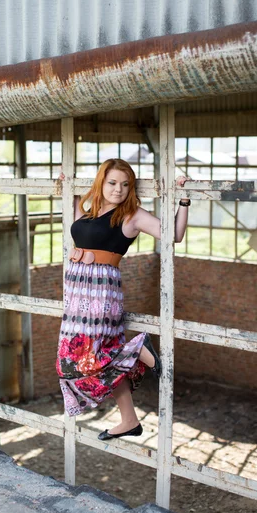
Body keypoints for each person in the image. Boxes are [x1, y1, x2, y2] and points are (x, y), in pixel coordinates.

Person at [56, 158, 190, 441]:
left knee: (76, 359)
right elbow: (73, 210)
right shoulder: (89, 212)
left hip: (100, 291)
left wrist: (184, 201)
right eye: (112, 183)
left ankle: (140, 348)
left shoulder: (132, 216)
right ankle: (129, 420)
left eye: (125, 185)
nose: (118, 190)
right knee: (93, 355)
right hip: (76, 290)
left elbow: (174, 235)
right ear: (101, 183)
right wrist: (65, 183)